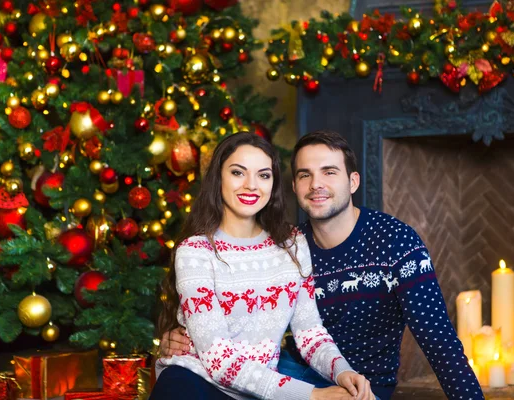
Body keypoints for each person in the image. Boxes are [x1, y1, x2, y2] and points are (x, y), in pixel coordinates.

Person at [163, 130, 484, 400]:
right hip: (282, 376)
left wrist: (342, 376)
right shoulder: (287, 241)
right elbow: (227, 343)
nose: (316, 184)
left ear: (353, 181)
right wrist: (176, 337)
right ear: (292, 186)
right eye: (305, 175)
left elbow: (439, 340)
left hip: (352, 383)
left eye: (329, 172)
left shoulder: (392, 242)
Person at [151, 131, 374, 400]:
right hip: (194, 382)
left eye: (263, 175)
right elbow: (219, 362)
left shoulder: (292, 244)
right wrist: (314, 395)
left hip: (260, 390)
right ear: (218, 178)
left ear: (274, 184)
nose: (251, 185)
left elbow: (310, 333)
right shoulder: (195, 251)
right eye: (237, 173)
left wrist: (342, 372)